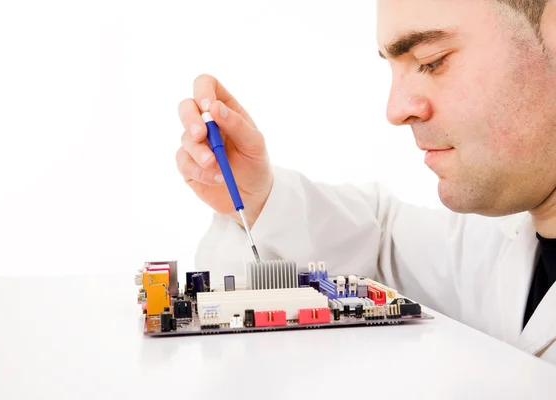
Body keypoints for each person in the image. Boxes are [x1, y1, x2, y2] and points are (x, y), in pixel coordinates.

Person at [175, 0, 556, 365]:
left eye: (431, 61)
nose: (395, 110)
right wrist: (260, 197)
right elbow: (380, 239)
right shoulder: (496, 247)